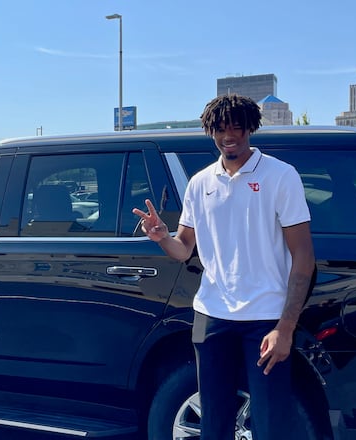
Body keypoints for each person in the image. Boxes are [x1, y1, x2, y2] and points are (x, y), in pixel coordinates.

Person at [132, 94, 315, 440]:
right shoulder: (200, 183)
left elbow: (303, 257)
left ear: (250, 128)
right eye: (221, 128)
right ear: (210, 131)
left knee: (270, 422)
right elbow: (184, 249)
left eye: (237, 127)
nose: (229, 135)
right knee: (213, 422)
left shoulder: (280, 176)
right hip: (212, 315)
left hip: (265, 319)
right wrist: (161, 237)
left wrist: (285, 328)